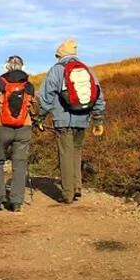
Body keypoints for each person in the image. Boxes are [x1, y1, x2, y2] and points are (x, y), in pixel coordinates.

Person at [37, 38, 105, 204]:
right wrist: (98, 120)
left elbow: (45, 97)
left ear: (60, 55)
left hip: (63, 120)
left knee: (65, 154)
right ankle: (77, 188)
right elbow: (98, 96)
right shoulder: (87, 70)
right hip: (83, 119)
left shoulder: (57, 70)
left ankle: (67, 194)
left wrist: (40, 117)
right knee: (76, 152)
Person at [0, 55, 37, 212]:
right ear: (23, 67)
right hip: (24, 128)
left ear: (6, 66)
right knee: (20, 164)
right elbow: (34, 108)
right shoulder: (29, 85)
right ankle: (17, 202)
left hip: (1, 128)